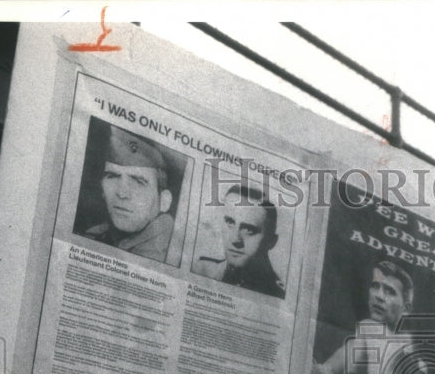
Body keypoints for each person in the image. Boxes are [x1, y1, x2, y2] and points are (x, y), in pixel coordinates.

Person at [83, 124, 175, 263]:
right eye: (112, 176)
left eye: (138, 182)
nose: (122, 193)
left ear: (164, 201)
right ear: (102, 189)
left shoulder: (173, 252)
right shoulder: (94, 234)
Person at [196, 183, 285, 297]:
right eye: (230, 222)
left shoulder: (278, 295)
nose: (234, 239)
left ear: (271, 242)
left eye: (248, 229)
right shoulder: (201, 270)